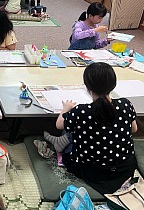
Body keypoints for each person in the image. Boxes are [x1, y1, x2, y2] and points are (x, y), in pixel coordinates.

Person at [46, 62, 138, 195]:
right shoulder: (125, 104)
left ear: (88, 87)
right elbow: (133, 129)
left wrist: (66, 109)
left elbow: (59, 124)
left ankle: (61, 143)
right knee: (82, 127)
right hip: (125, 168)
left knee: (71, 128)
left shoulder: (82, 111)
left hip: (91, 171)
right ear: (113, 85)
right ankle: (63, 141)